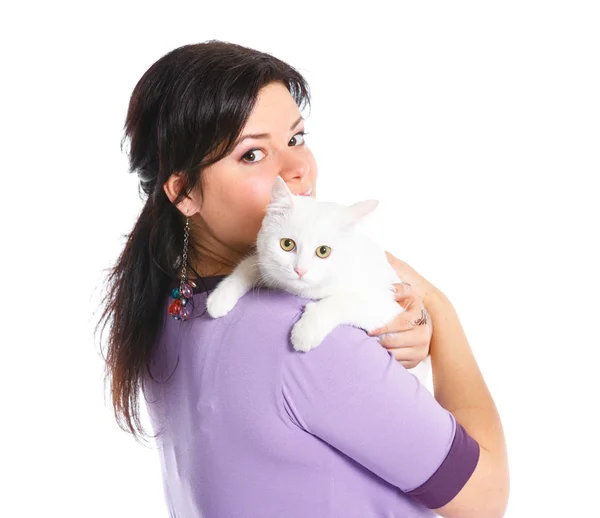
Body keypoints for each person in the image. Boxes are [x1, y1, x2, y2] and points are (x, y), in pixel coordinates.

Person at [96, 40, 509, 517]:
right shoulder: (305, 338)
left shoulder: (172, 306)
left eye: (295, 138)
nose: (297, 169)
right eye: (252, 154)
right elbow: (485, 498)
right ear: (184, 192)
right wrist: (438, 307)